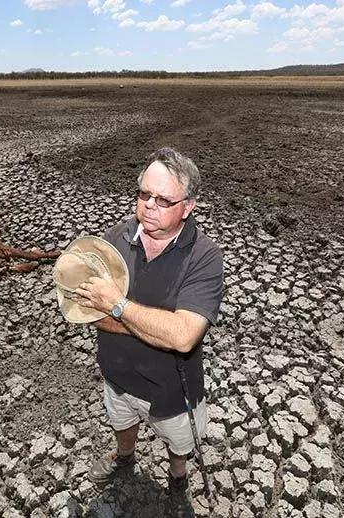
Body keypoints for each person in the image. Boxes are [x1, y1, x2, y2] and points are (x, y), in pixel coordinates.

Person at [73, 147, 224, 499]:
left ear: (188, 206)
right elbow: (84, 307)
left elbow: (184, 337)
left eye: (163, 199)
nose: (149, 205)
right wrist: (154, 327)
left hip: (172, 388)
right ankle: (125, 457)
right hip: (117, 374)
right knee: (121, 422)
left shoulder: (204, 257)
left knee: (179, 441)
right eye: (144, 194)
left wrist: (117, 306)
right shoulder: (116, 238)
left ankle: (178, 476)